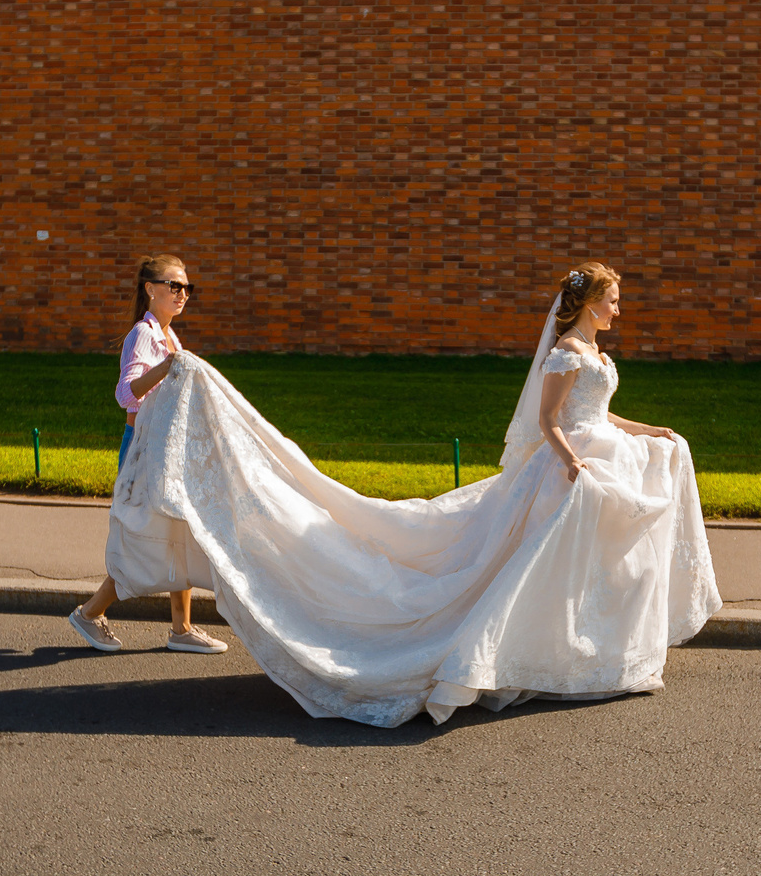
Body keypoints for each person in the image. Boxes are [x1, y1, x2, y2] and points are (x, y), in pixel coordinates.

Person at [102, 261, 721, 727]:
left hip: (595, 451)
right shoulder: (564, 353)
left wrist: (648, 431)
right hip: (572, 465)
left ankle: (589, 646)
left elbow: (603, 413)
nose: (620, 309)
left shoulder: (593, 350)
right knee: (528, 564)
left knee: (587, 556)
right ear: (588, 304)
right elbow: (550, 423)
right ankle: (102, 609)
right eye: (614, 300)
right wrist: (572, 462)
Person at [66, 254, 224, 655]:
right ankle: (89, 614)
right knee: (142, 540)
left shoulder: (170, 337)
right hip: (141, 452)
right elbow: (125, 394)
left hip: (165, 452)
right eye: (174, 285)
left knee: (178, 532)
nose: (182, 294)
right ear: (150, 289)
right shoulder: (144, 335)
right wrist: (168, 367)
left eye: (187, 287)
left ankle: (182, 628)